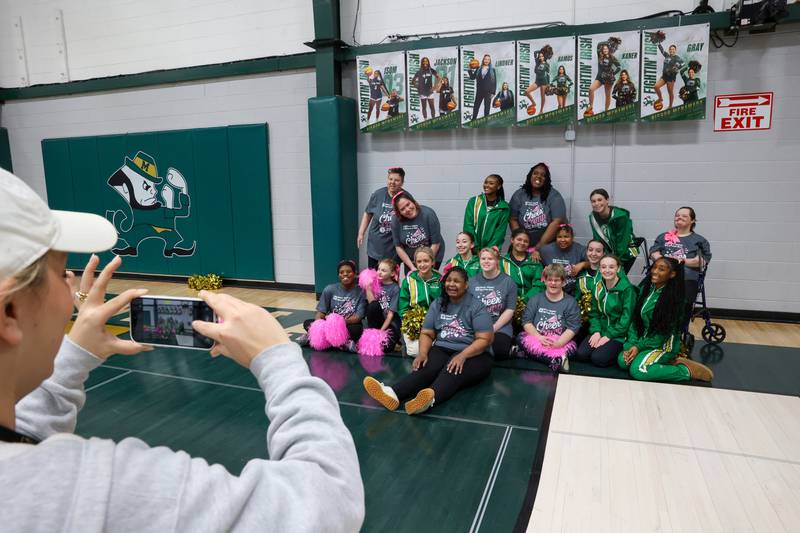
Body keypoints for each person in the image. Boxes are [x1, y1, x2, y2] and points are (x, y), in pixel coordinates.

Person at [0, 168, 364, 531]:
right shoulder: (105, 491)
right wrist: (278, 357)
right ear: (9, 312)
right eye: (62, 271)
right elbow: (328, 501)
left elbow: (23, 434)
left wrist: (74, 355)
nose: (72, 288)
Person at [363, 266, 493, 414]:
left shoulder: (476, 306)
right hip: (443, 348)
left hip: (475, 353)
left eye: (457, 281)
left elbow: (485, 339)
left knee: (451, 371)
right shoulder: (438, 303)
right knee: (425, 370)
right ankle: (392, 393)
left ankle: (428, 400)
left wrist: (462, 356)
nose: (451, 284)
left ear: (466, 285)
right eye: (449, 280)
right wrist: (423, 353)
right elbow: (427, 333)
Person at [619, 257, 713, 382]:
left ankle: (685, 371)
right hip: (644, 341)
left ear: (672, 274)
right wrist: (632, 344)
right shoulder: (646, 289)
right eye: (654, 267)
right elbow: (635, 321)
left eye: (661, 269)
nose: (655, 271)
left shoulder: (674, 300)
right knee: (623, 361)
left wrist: (638, 347)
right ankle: (665, 362)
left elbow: (661, 335)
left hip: (662, 345)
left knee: (639, 370)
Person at [649, 207, 712, 328]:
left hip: (686, 277)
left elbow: (703, 260)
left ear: (693, 220)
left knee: (683, 293)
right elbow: (653, 252)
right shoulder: (663, 236)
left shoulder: (699, 240)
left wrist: (682, 261)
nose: (679, 217)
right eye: (677, 215)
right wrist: (665, 262)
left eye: (684, 216)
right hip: (662, 273)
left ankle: (679, 329)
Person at [516, 264, 581, 373]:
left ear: (563, 282)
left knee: (572, 350)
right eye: (550, 280)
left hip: (560, 339)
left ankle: (527, 353)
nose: (553, 283)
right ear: (544, 281)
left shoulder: (570, 302)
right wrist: (539, 337)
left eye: (557, 280)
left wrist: (559, 343)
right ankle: (553, 360)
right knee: (520, 338)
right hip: (538, 338)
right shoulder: (535, 299)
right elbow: (526, 322)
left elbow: (573, 327)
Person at [574, 255, 637, 368]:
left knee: (598, 359)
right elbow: (593, 313)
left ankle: (615, 351)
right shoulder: (598, 286)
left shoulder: (627, 289)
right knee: (581, 355)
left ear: (618, 269)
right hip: (601, 329)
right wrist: (596, 331)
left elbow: (626, 319)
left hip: (619, 334)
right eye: (603, 267)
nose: (607, 270)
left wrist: (608, 336)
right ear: (600, 269)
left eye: (611, 267)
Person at [300, 260, 366, 352]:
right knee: (308, 323)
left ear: (355, 274)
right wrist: (318, 325)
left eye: (349, 272)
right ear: (339, 275)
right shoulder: (330, 289)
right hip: (329, 324)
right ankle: (343, 343)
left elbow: (358, 317)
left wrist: (338, 324)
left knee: (356, 330)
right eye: (341, 272)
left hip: (348, 324)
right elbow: (321, 312)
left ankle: (313, 339)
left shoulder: (361, 292)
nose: (345, 274)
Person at [469, 248, 518, 360]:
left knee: (499, 351)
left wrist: (492, 328)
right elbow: (467, 308)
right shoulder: (471, 282)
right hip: (476, 326)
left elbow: (510, 310)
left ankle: (510, 347)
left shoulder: (508, 282)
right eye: (483, 258)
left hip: (499, 327)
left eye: (490, 258)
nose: (486, 261)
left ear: (497, 261)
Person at [508, 162, 568, 254]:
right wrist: (520, 240)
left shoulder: (554, 196)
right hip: (522, 245)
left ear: (546, 179)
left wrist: (538, 247)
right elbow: (513, 219)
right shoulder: (519, 194)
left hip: (547, 245)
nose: (538, 177)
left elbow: (557, 221)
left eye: (543, 175)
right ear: (530, 176)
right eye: (535, 173)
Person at [398, 247, 442, 356]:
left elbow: (446, 304)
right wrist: (412, 322)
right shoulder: (409, 281)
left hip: (436, 323)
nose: (422, 264)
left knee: (438, 351)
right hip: (414, 324)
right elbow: (403, 307)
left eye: (426, 261)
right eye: (419, 261)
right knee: (417, 352)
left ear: (433, 262)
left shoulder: (441, 280)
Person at [357, 167, 405, 269]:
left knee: (391, 276)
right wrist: (361, 233)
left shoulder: (405, 197)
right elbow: (367, 213)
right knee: (374, 276)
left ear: (402, 182)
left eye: (396, 180)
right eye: (390, 179)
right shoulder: (378, 194)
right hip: (376, 243)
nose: (392, 182)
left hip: (393, 245)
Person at [588, 188, 639, 273]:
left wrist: (614, 262)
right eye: (593, 201)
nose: (596, 203)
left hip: (626, 252)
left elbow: (622, 243)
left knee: (617, 277)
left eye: (600, 200)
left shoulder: (620, 217)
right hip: (611, 252)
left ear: (607, 200)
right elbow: (597, 240)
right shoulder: (592, 217)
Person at [391, 191, 444, 271]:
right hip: (411, 258)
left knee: (427, 279)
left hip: (432, 253)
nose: (407, 209)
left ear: (413, 201)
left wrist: (425, 263)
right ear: (399, 213)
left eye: (408, 204)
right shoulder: (396, 220)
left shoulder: (428, 214)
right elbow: (398, 247)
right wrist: (412, 267)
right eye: (402, 209)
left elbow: (435, 243)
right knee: (412, 280)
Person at [363, 259, 401, 355]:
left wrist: (380, 332)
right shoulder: (375, 284)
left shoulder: (395, 288)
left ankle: (396, 341)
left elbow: (390, 315)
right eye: (379, 269)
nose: (379, 272)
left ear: (392, 273)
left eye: (383, 270)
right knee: (373, 306)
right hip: (377, 321)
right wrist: (368, 288)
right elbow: (372, 306)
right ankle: (371, 333)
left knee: (386, 348)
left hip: (390, 323)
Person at [463, 173, 510, 250]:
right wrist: (475, 247)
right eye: (486, 182)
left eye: (491, 183)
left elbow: (500, 232)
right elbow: (468, 225)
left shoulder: (504, 207)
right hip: (472, 248)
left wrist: (488, 251)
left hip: (491, 251)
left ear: (498, 186)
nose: (486, 185)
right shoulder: (474, 201)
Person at [537, 224, 587, 295]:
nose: (563, 240)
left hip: (573, 291)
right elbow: (534, 261)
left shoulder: (580, 249)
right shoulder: (546, 250)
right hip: (552, 290)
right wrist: (535, 252)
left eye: (566, 236)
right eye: (559, 237)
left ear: (572, 237)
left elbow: (594, 263)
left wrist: (582, 264)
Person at [501, 228, 544, 301]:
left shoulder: (534, 261)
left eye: (526, 241)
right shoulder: (502, 261)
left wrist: (524, 301)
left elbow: (539, 285)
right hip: (507, 303)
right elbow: (499, 285)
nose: (522, 243)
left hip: (531, 303)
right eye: (519, 239)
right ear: (512, 240)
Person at [586, 39, 621, 116]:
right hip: (600, 77)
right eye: (604, 49)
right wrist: (608, 42)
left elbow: (619, 67)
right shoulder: (600, 55)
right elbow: (599, 43)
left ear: (609, 49)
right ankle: (590, 108)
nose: (605, 50)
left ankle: (606, 111)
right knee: (591, 89)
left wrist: (613, 74)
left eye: (606, 48)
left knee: (607, 95)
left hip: (608, 79)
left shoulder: (612, 57)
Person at [654, 42, 684, 109]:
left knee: (670, 92)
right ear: (669, 50)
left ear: (675, 50)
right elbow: (662, 51)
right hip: (664, 76)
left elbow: (683, 64)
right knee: (656, 86)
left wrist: (676, 68)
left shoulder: (677, 58)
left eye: (673, 49)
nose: (671, 50)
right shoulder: (667, 55)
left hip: (671, 77)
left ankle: (670, 106)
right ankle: (660, 98)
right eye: (670, 49)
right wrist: (658, 43)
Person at [467, 54, 497, 120]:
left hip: (488, 92)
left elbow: (494, 82)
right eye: (485, 59)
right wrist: (469, 69)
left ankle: (486, 120)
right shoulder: (478, 68)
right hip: (479, 91)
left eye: (488, 59)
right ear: (483, 60)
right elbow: (472, 77)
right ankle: (473, 119)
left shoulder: (492, 70)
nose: (486, 60)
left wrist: (493, 93)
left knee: (487, 107)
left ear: (490, 61)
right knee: (476, 106)